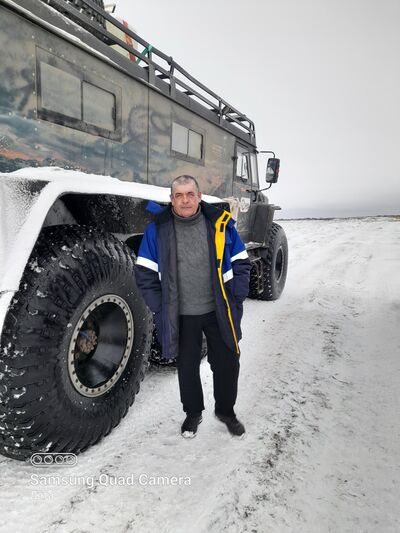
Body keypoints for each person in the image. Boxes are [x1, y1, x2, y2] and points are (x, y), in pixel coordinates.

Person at [135, 175, 251, 438]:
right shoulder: (158, 230)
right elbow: (144, 272)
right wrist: (159, 306)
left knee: (227, 362)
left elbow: (241, 261)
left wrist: (236, 296)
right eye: (179, 195)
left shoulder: (220, 225)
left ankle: (226, 412)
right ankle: (193, 413)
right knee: (186, 367)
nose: (185, 200)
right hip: (182, 314)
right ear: (171, 200)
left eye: (190, 194)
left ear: (199, 196)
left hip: (218, 310)